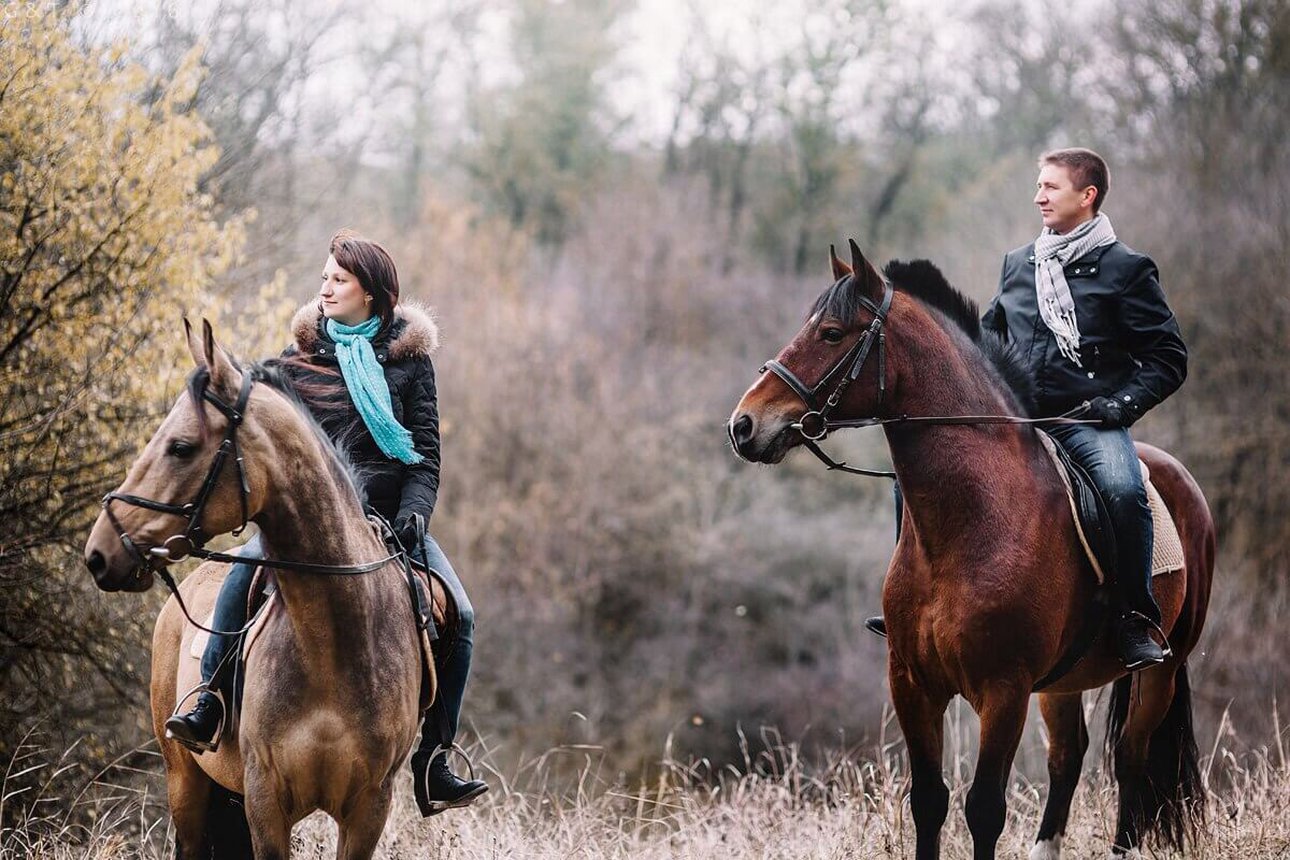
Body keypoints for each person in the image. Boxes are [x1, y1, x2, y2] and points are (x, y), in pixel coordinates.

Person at [164, 229, 488, 815]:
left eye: (338, 279)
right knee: (237, 581)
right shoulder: (297, 362)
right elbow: (259, 419)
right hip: (306, 531)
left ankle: (435, 758)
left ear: (373, 293)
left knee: (460, 614)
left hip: (390, 526)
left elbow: (424, 460)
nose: (325, 288)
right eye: (323, 278)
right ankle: (209, 702)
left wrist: (415, 514)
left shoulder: (412, 366)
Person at [867, 148, 1187, 671]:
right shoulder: (1020, 263)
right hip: (1015, 420)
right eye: (1038, 186)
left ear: (1087, 196)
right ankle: (914, 599)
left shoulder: (1127, 270)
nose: (1039, 196)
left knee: (1125, 491)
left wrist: (1118, 406)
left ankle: (1133, 617)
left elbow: (1168, 359)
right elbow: (989, 340)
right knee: (910, 478)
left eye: (1051, 187)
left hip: (1088, 422)